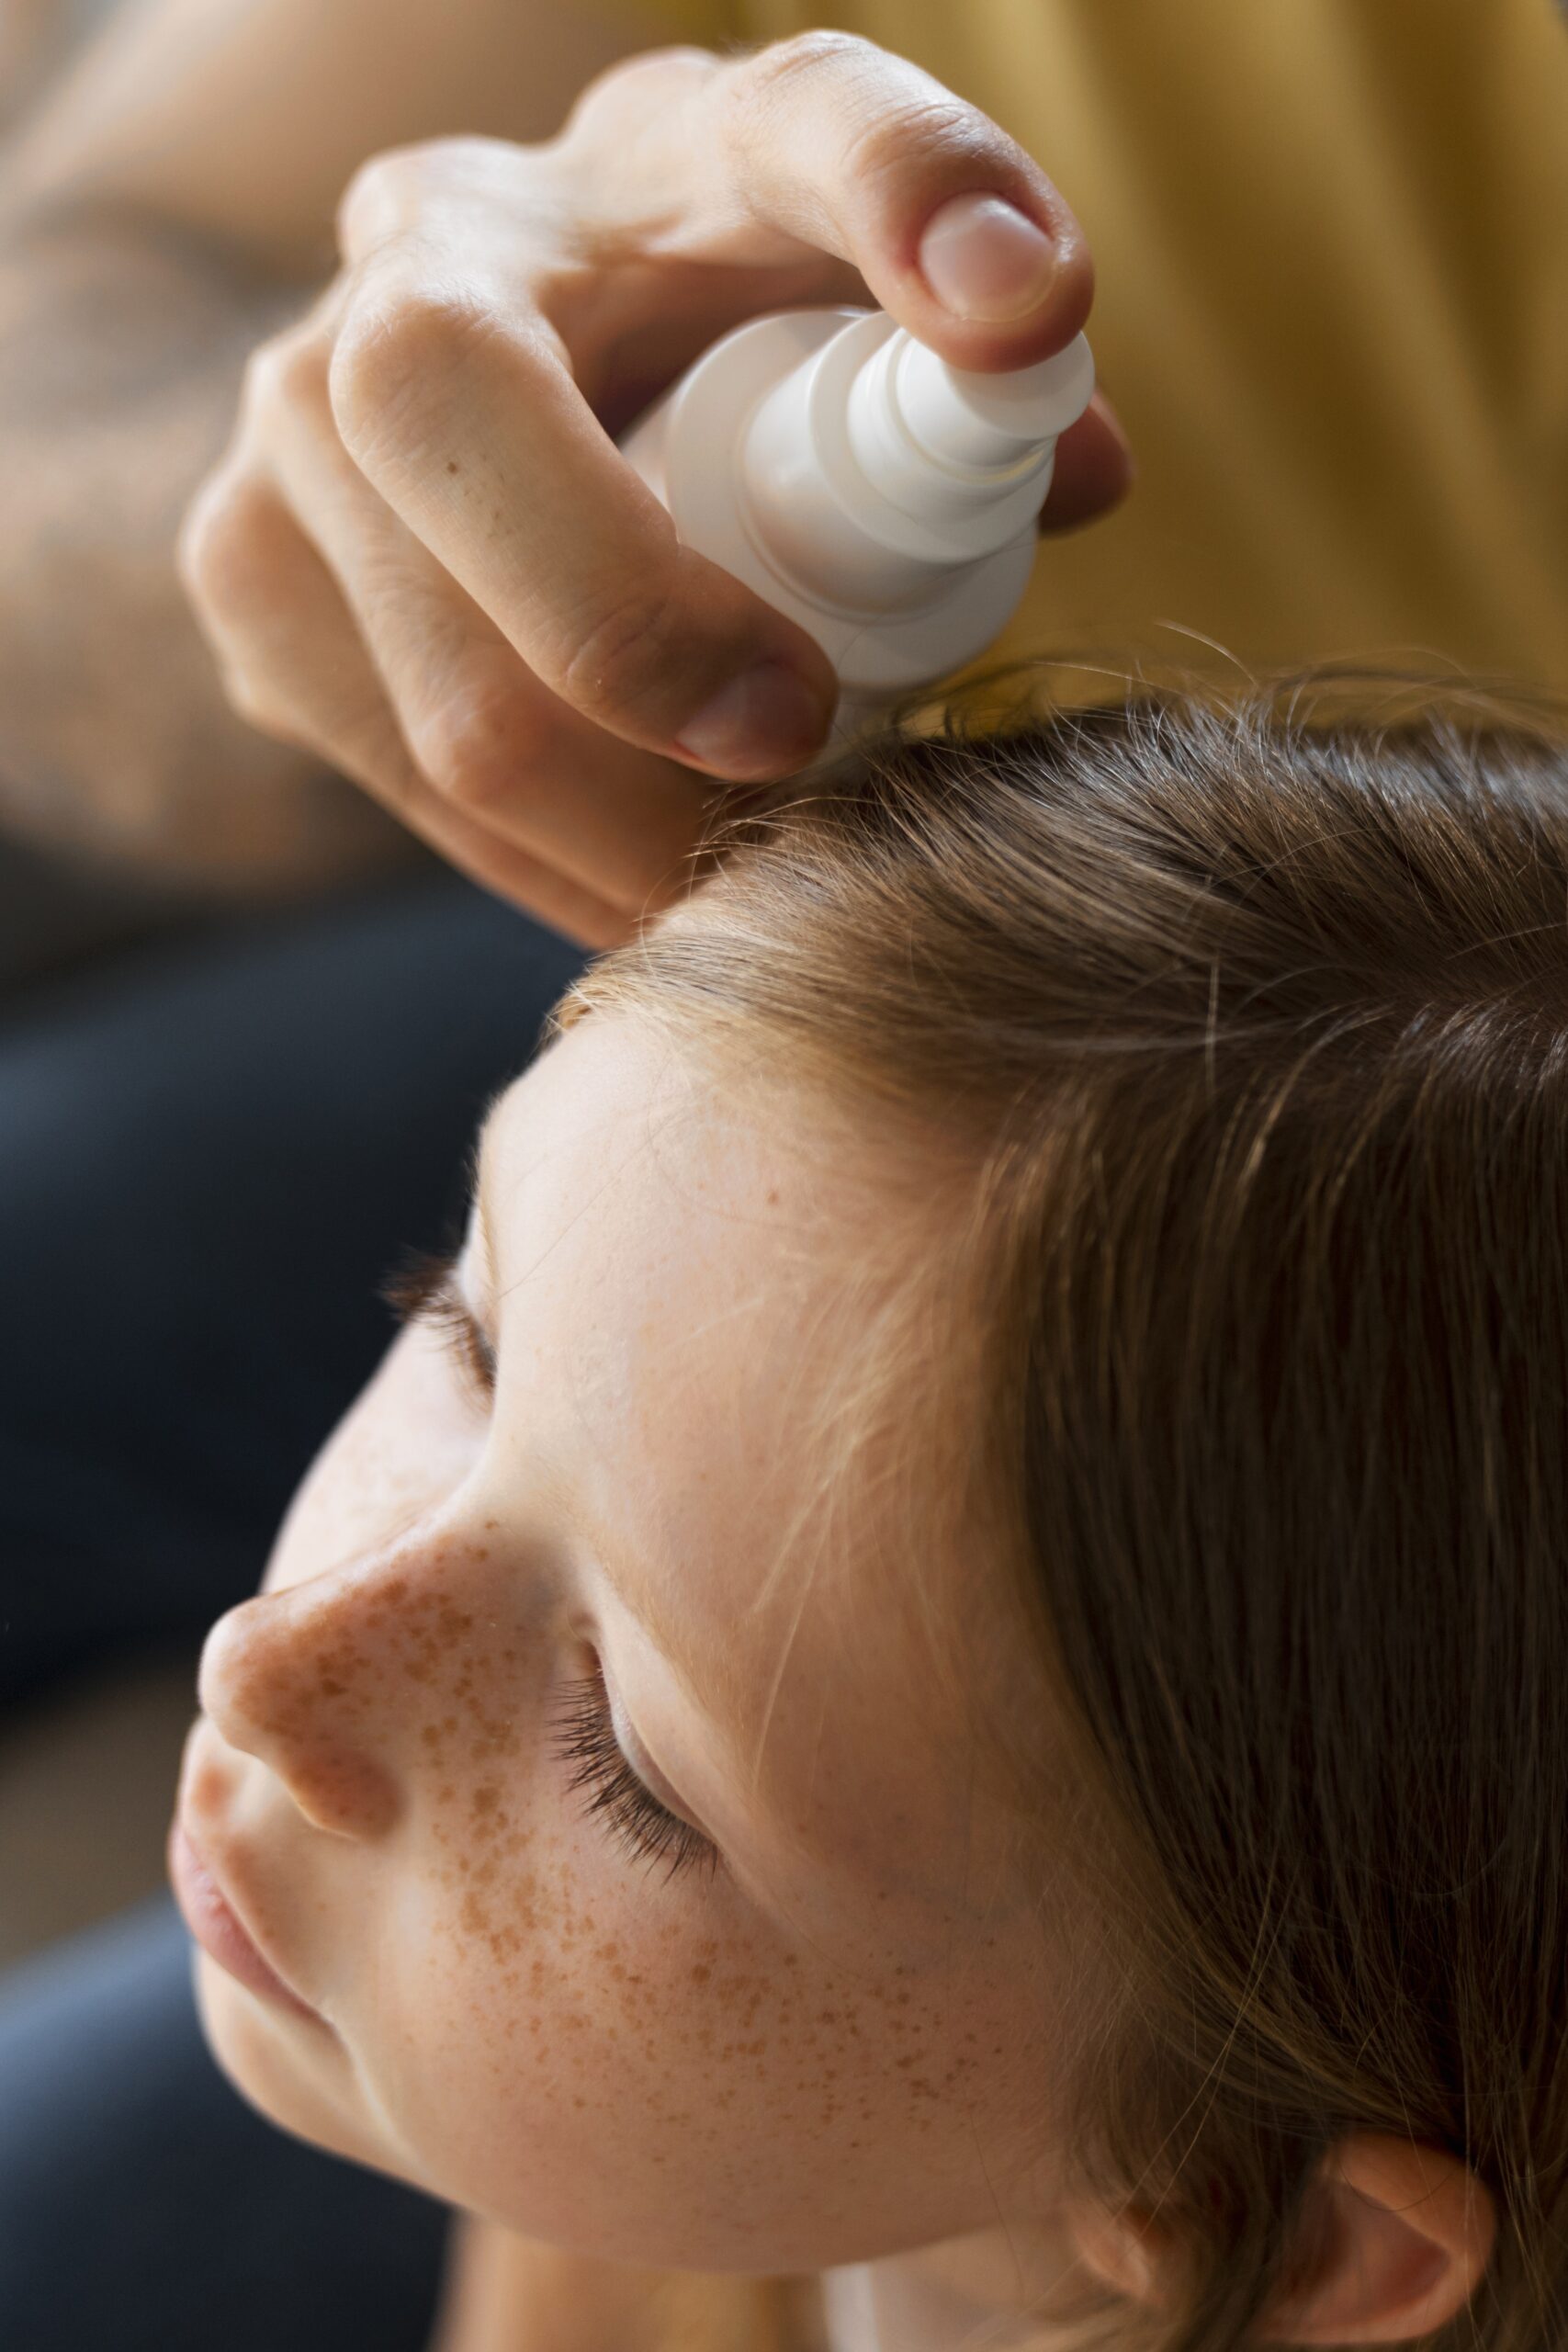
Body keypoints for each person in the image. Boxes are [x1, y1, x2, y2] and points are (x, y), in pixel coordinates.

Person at [165, 675, 1568, 2352]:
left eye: (626, 1766)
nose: (268, 1664)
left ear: (1230, 2220)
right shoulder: (680, 2117)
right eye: (465, 1336)